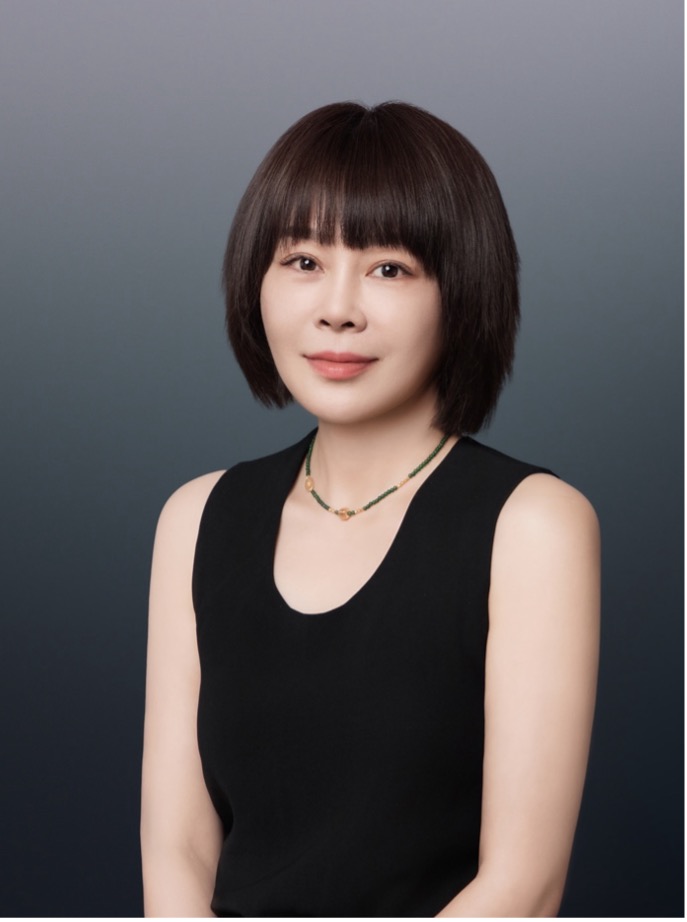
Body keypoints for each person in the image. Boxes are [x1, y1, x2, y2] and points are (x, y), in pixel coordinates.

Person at [140, 101, 600, 918]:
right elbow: (177, 847)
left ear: (463, 291)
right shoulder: (197, 517)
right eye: (302, 261)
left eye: (389, 268)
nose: (337, 308)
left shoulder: (532, 526)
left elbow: (522, 888)